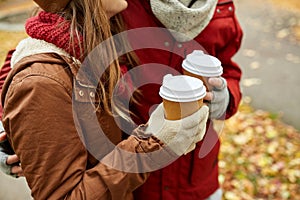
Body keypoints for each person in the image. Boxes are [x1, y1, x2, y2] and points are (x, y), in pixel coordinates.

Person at [0, 0, 242, 199]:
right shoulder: (122, 5)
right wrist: (7, 124)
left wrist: (227, 97)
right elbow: (31, 56)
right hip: (131, 176)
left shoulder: (222, 10)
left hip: (196, 174)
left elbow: (229, 70)